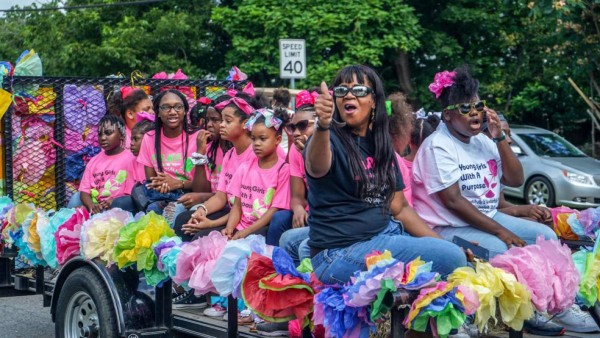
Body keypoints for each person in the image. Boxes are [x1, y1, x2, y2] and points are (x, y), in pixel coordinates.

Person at [307, 65, 467, 291]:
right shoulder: (327, 139)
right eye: (342, 90)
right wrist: (322, 126)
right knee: (453, 259)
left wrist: (440, 244)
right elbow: (316, 166)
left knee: (452, 253)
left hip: (382, 236)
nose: (349, 95)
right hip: (339, 254)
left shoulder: (380, 145)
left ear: (374, 101)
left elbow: (400, 208)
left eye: (359, 90)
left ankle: (417, 326)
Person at [411, 66, 557, 257]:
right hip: (448, 226)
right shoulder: (438, 146)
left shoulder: (483, 141)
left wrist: (499, 137)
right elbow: (453, 201)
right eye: (465, 108)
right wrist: (501, 231)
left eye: (478, 106)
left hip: (488, 217)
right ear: (447, 115)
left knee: (547, 237)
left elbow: (515, 180)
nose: (474, 113)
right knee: (506, 251)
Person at [174, 93, 261, 240]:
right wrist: (202, 210)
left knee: (200, 236)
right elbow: (221, 197)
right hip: (231, 211)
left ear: (245, 124)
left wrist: (210, 223)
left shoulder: (256, 155)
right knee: (184, 221)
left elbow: (243, 208)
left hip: (247, 217)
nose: (221, 125)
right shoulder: (230, 154)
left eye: (227, 121)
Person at [221, 108, 291, 240]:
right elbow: (237, 205)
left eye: (262, 139)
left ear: (278, 140)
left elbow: (273, 211)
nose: (257, 143)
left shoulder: (283, 170)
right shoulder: (245, 167)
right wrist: (229, 228)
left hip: (262, 228)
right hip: (241, 227)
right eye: (253, 139)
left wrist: (246, 232)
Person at [136, 89, 202, 215]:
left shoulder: (198, 138)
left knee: (169, 211)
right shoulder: (149, 138)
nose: (172, 112)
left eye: (178, 107)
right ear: (158, 113)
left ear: (185, 111)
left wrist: (178, 184)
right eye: (166, 107)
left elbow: (206, 187)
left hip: (191, 195)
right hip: (161, 196)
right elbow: (151, 181)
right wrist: (160, 185)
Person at [266, 89, 317, 246]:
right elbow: (296, 196)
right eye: (292, 127)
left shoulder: (330, 148)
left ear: (319, 125)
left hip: (329, 214)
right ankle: (269, 265)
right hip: (309, 211)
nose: (295, 133)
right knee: (279, 219)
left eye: (302, 126)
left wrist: (308, 157)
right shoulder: (295, 150)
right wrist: (298, 209)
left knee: (291, 240)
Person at [481, 114, 552, 226]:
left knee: (543, 221)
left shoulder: (494, 161)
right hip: (478, 223)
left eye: (509, 134)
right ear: (482, 134)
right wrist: (519, 210)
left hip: (491, 217)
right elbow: (478, 213)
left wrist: (531, 209)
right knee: (537, 227)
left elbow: (499, 203)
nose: (509, 140)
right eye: (502, 133)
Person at [78, 115, 137, 213]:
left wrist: (114, 201)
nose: (103, 138)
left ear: (122, 134)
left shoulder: (131, 159)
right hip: (98, 208)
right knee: (77, 204)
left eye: (108, 133)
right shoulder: (93, 161)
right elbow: (84, 191)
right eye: (100, 134)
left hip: (122, 207)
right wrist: (92, 205)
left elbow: (133, 191)